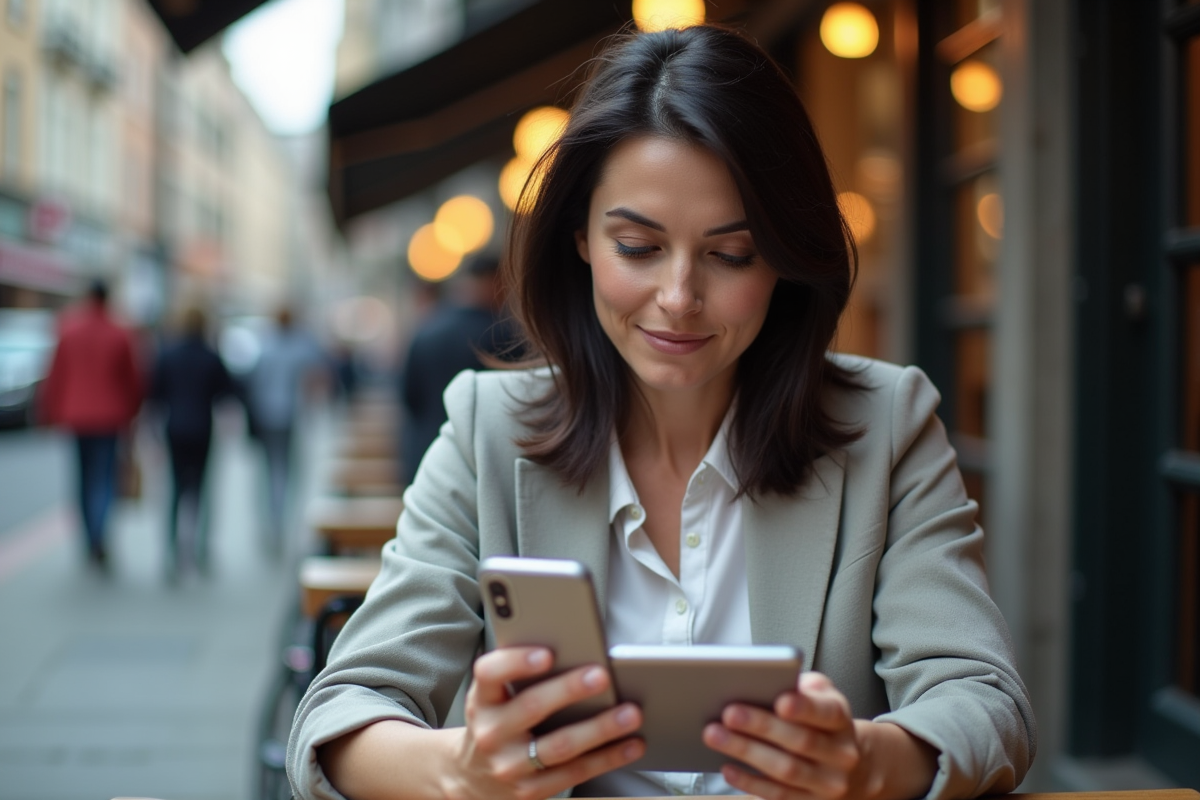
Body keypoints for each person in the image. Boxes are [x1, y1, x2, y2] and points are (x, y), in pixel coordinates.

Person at [287, 25, 1036, 800]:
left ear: (784, 257)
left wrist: (865, 761)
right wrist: (461, 771)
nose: (679, 298)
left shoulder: (887, 425)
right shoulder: (488, 429)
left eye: (731, 254)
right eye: (638, 247)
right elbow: (340, 714)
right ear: (580, 237)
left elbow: (987, 704)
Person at [40, 280, 144, 569]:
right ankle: (99, 535)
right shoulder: (120, 332)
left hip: (76, 416)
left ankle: (90, 538)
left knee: (83, 478)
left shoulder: (68, 328)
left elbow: (55, 375)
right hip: (110, 417)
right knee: (105, 478)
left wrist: (48, 412)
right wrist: (133, 413)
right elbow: (133, 380)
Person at [398, 255, 517, 484]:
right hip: (483, 465)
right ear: (494, 281)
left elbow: (409, 398)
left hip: (425, 455)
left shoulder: (427, 328)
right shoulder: (504, 336)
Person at [149, 306, 236, 580]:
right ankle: (199, 549)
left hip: (175, 429)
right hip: (202, 429)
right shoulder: (211, 356)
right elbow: (227, 392)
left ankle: (172, 551)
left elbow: (155, 394)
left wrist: (152, 434)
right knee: (200, 490)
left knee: (176, 490)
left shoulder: (168, 355)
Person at [243, 306, 325, 549]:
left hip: (267, 415)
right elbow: (315, 374)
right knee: (285, 470)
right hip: (290, 416)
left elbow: (254, 382)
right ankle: (279, 520)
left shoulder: (266, 345)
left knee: (268, 470)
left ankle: (271, 520)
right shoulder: (301, 346)